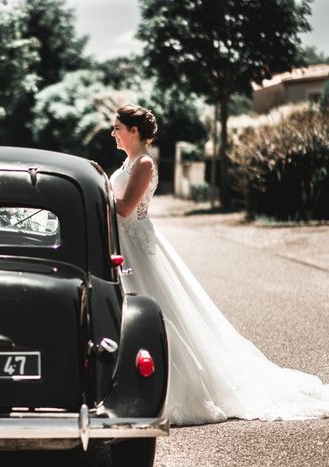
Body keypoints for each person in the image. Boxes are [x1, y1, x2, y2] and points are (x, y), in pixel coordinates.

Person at [109, 103, 329, 426]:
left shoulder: (143, 163)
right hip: (123, 245)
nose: (112, 133)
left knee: (156, 314)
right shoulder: (127, 161)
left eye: (117, 128)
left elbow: (126, 208)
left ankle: (168, 387)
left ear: (134, 131)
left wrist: (99, 194)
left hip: (137, 246)